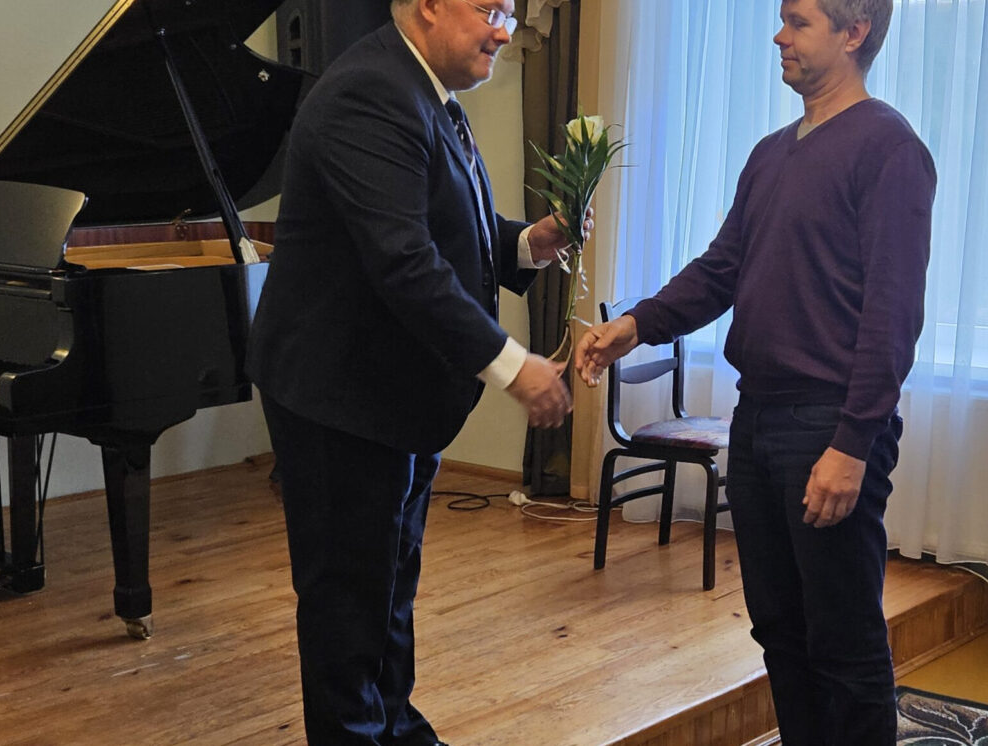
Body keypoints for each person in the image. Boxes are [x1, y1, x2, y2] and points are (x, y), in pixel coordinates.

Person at [575, 1, 935, 743]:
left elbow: (893, 313)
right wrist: (635, 325)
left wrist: (852, 444)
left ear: (855, 32)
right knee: (779, 628)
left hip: (827, 425)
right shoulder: (770, 154)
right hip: (758, 417)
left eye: (799, 22)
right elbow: (722, 270)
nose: (779, 36)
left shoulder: (889, 147)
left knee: (843, 640)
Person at [246, 0, 581, 743]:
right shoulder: (370, 91)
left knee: (390, 585)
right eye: (490, 8)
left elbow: (450, 225)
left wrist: (527, 243)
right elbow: (404, 259)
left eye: (511, 11)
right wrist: (512, 365)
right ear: (429, 5)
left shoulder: (425, 90)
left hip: (394, 396)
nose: (505, 29)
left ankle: (394, 726)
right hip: (340, 396)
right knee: (347, 602)